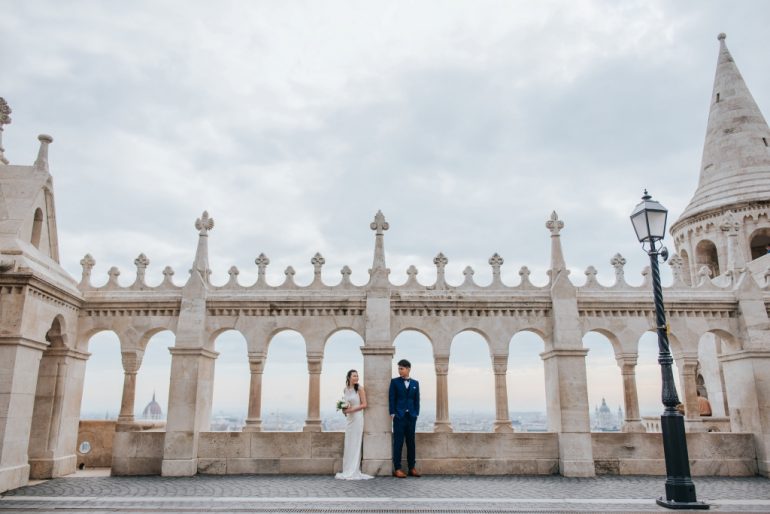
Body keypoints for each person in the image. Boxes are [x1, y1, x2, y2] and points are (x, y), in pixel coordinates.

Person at [335, 370, 373, 480]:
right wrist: (344, 409)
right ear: (349, 377)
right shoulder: (345, 389)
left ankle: (354, 470)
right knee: (348, 444)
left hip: (357, 418)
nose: (356, 378)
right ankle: (347, 469)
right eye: (354, 376)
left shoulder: (360, 389)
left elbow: (364, 404)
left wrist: (352, 409)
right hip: (349, 420)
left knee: (356, 444)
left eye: (357, 376)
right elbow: (345, 405)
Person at [389, 359, 421, 478]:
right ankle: (397, 468)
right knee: (398, 443)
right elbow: (392, 398)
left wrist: (416, 413)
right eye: (398, 368)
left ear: (408, 369)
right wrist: (393, 413)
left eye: (401, 368)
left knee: (411, 443)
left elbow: (417, 399)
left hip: (411, 416)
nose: (399, 370)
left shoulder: (415, 383)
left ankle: (412, 468)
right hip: (399, 416)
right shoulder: (394, 382)